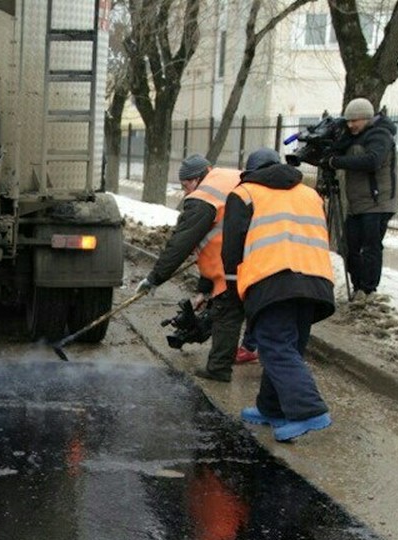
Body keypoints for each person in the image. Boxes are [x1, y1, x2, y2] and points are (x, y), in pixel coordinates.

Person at [223, 148, 336, 442]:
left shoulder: (245, 193)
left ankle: (309, 411)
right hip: (316, 278)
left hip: (273, 278)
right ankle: (271, 408)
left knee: (274, 345)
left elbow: (232, 247)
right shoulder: (310, 194)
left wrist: (234, 289)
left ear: (249, 173)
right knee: (290, 346)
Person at [135, 154, 243, 382]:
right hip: (259, 256)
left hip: (235, 268)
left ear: (197, 179)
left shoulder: (204, 197)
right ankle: (251, 348)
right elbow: (217, 240)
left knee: (227, 313)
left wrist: (155, 278)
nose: (186, 193)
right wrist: (204, 289)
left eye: (186, 186)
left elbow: (181, 243)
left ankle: (218, 370)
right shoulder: (231, 177)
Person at [323, 97, 398, 301]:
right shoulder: (352, 136)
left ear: (366, 118)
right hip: (357, 204)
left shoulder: (380, 135)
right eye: (347, 121)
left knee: (371, 246)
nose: (350, 125)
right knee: (349, 246)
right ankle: (357, 286)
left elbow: (373, 161)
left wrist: (336, 162)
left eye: (354, 121)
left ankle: (368, 289)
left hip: (378, 202)